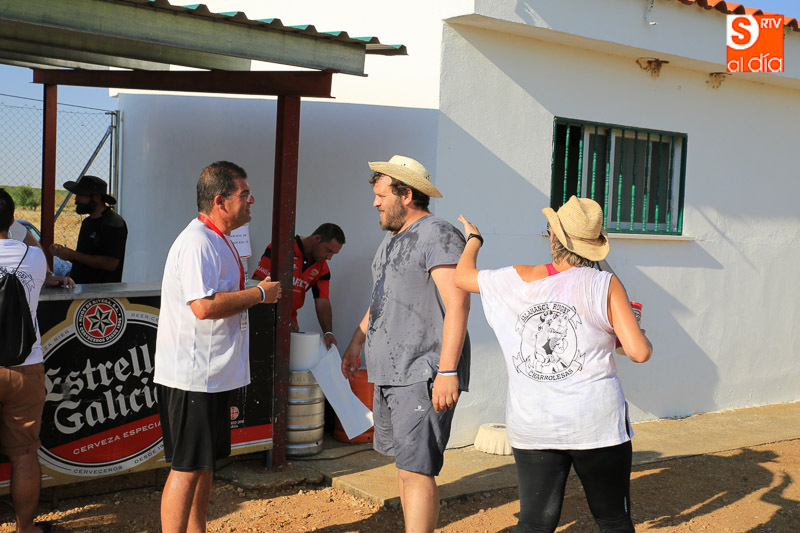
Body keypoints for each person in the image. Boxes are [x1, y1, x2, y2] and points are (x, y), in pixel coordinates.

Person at [454, 195, 653, 533]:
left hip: (534, 422)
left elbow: (462, 277)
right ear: (594, 246)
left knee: (534, 522)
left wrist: (474, 240)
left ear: (553, 238)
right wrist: (641, 335)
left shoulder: (516, 278)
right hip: (596, 423)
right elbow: (638, 352)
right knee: (613, 519)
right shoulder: (605, 284)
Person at [341, 155, 470, 533]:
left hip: (423, 371)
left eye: (382, 195)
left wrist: (448, 370)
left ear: (407, 195)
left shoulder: (439, 234)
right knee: (405, 468)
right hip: (390, 373)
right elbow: (383, 297)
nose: (375, 203)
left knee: (417, 471)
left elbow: (458, 302)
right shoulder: (391, 239)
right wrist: (357, 341)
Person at [153, 161, 281, 533]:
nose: (251, 200)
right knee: (186, 468)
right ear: (220, 201)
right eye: (245, 194)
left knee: (203, 465)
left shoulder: (218, 239)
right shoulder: (197, 241)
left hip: (211, 376)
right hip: (193, 376)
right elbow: (203, 306)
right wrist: (259, 294)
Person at [0, 189, 71, 533]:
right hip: (25, 365)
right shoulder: (33, 257)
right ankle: (25, 528)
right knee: (25, 453)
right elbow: (38, 253)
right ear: (12, 219)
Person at [252, 223, 344, 348]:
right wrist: (281, 317)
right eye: (328, 250)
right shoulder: (282, 248)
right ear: (317, 238)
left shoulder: (322, 268)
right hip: (264, 320)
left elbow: (322, 301)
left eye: (333, 254)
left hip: (290, 325)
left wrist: (328, 332)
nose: (329, 257)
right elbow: (257, 285)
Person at [50, 175, 128, 284]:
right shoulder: (87, 222)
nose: (76, 199)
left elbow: (111, 264)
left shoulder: (114, 223)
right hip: (83, 288)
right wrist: (65, 254)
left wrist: (73, 255)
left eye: (81, 195)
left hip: (102, 291)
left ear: (97, 197)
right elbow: (83, 259)